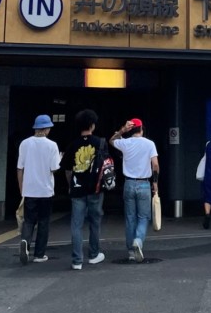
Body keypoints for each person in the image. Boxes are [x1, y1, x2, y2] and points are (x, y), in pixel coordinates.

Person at [109, 118, 159, 262]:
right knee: (144, 217)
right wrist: (155, 183)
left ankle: (131, 252)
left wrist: (122, 131)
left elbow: (111, 141)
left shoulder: (125, 143)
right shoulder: (150, 144)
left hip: (129, 184)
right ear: (142, 129)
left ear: (131, 130)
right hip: (144, 184)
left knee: (130, 218)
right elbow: (155, 165)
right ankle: (138, 240)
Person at [63, 109, 107, 271]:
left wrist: (70, 185)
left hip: (77, 189)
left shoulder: (73, 145)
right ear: (92, 125)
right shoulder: (100, 143)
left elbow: (67, 169)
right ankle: (94, 255)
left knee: (76, 224)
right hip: (95, 188)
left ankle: (77, 260)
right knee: (95, 222)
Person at [18, 113, 62, 265]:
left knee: (29, 221)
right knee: (43, 222)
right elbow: (54, 168)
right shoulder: (52, 145)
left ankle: (25, 241)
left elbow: (19, 168)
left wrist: (21, 189)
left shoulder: (24, 143)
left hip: (29, 190)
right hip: (45, 190)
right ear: (47, 129)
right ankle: (39, 254)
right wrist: (60, 159)